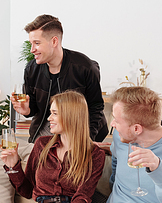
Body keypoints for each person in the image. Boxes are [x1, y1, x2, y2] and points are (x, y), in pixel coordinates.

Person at [11, 14, 108, 143]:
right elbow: (33, 107)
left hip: (80, 131)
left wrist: (86, 141)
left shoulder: (85, 67)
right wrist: (27, 110)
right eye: (31, 43)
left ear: (54, 41)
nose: (32, 50)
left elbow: (95, 108)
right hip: (46, 129)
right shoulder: (31, 69)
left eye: (37, 43)